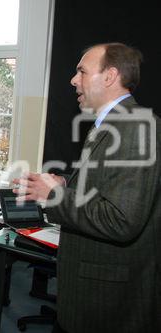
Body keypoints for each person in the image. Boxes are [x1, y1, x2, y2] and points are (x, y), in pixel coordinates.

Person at [13, 43, 161, 332]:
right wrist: (66, 182)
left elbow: (121, 220)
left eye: (82, 71)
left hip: (109, 300)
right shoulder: (109, 126)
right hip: (92, 290)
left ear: (110, 76)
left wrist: (54, 196)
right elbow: (109, 183)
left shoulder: (136, 128)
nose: (72, 79)